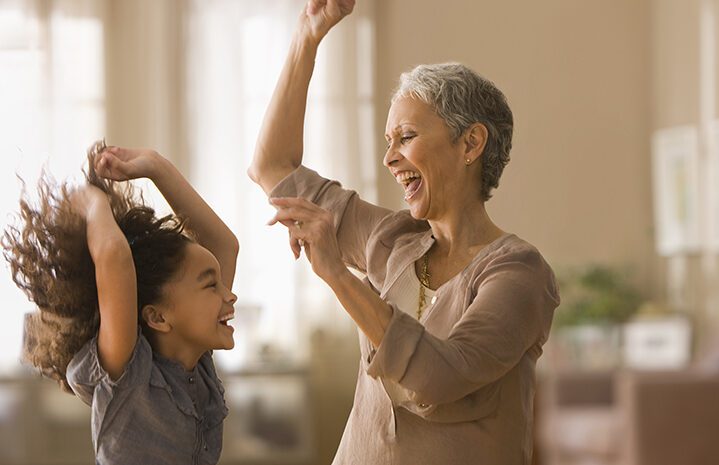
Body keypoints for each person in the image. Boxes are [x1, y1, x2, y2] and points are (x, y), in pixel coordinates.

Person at [248, 1, 559, 463]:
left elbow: (441, 376)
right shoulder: (392, 240)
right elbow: (272, 167)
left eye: (406, 137)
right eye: (388, 142)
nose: (390, 159)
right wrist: (307, 38)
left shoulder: (518, 273)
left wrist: (338, 274)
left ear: (470, 143)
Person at [3, 140, 239, 465]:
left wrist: (155, 166)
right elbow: (114, 257)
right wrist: (93, 201)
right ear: (157, 316)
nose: (230, 295)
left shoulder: (194, 362)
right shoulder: (129, 372)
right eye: (211, 285)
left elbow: (225, 245)